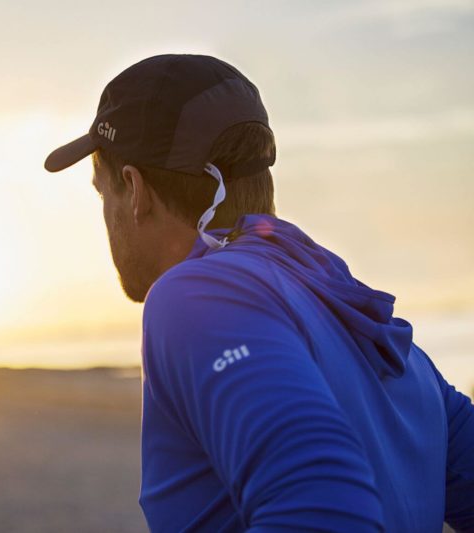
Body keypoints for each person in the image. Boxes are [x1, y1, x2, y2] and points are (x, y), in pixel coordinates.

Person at [43, 54, 474, 532]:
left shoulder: (194, 297)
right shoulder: (360, 313)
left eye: (103, 193)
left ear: (135, 189)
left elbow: (324, 505)